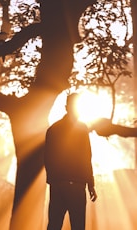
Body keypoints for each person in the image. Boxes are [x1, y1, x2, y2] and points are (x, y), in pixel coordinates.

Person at [44, 93, 97, 230]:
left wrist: (54, 181)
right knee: (78, 226)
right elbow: (86, 157)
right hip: (77, 184)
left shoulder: (53, 129)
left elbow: (47, 158)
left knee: (54, 225)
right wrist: (90, 185)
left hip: (58, 185)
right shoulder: (82, 129)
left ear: (66, 107)